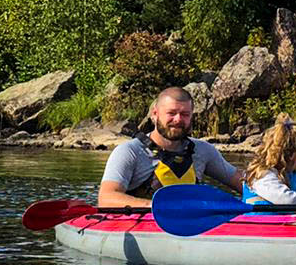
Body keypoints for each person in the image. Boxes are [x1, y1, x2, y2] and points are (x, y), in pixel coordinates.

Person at [97, 86, 242, 208]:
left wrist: (262, 190)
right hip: (144, 229)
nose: (178, 119)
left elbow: (240, 181)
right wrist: (158, 207)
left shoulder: (204, 151)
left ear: (191, 116)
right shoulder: (129, 152)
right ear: (155, 114)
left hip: (190, 230)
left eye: (185, 114)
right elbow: (106, 198)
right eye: (171, 113)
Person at [243, 116, 296, 205]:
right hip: (258, 219)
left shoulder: (292, 175)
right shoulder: (262, 175)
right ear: (294, 155)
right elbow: (287, 200)